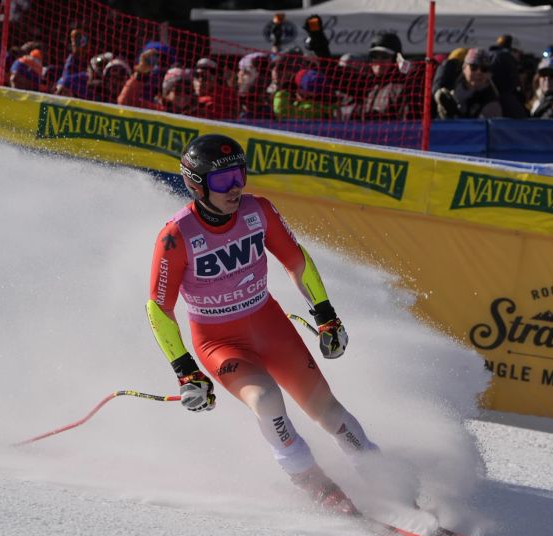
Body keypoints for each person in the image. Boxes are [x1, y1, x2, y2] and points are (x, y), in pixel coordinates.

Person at [146, 134, 383, 515]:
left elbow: (296, 260)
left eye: (239, 175)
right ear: (196, 183)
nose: (235, 187)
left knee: (328, 411)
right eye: (222, 181)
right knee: (267, 399)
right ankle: (311, 480)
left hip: (269, 326)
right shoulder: (177, 236)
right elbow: (159, 308)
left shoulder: (259, 211)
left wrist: (325, 315)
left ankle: (380, 473)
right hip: (219, 341)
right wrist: (185, 371)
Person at [434, 48, 502, 119]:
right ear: (464, 68)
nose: (478, 72)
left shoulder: (490, 99)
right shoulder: (449, 84)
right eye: (473, 67)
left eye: (484, 69)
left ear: (490, 74)